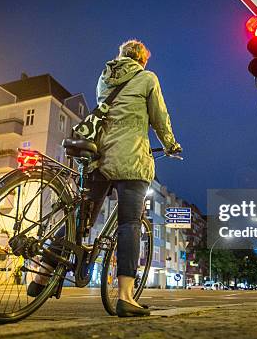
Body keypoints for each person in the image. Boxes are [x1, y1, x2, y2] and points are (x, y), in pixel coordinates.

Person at [28, 39, 181, 317]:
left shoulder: (105, 77)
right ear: (142, 60)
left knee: (81, 219)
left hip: (99, 157)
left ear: (120, 56)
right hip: (131, 158)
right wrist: (170, 144)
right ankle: (125, 297)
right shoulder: (147, 77)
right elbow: (160, 117)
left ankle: (42, 275)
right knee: (129, 224)